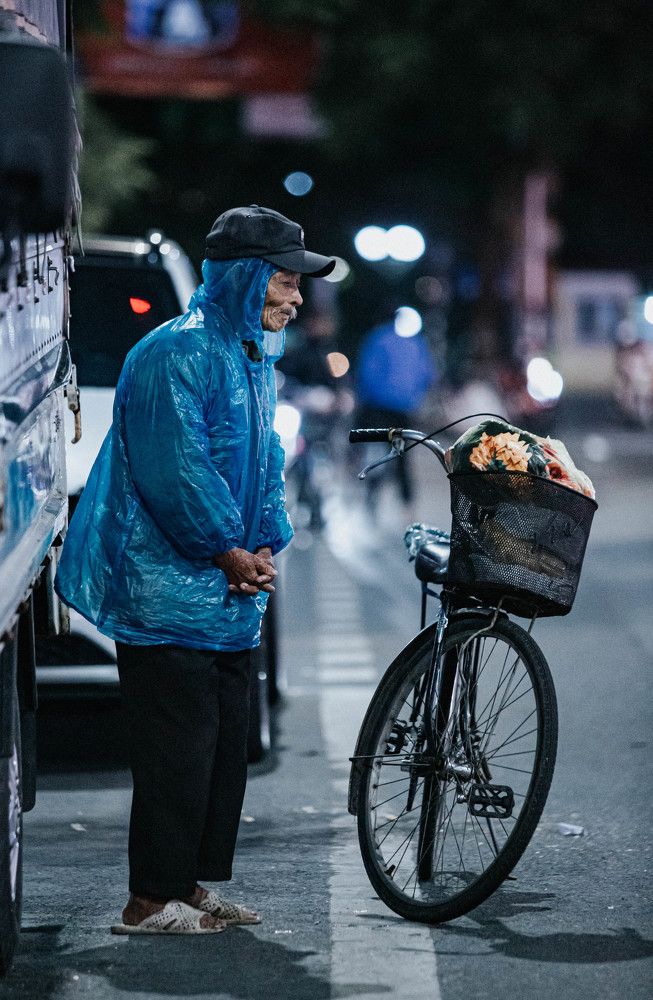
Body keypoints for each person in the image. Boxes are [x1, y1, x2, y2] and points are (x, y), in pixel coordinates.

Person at [55, 205, 334, 934]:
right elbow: (174, 470)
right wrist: (227, 550)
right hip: (166, 589)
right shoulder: (174, 352)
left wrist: (265, 540)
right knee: (175, 749)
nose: (295, 297)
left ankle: (185, 883)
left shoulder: (247, 355)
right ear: (245, 278)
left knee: (219, 748)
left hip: (223, 591)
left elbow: (264, 460)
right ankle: (148, 899)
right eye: (284, 281)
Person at [355, 307, 437, 507]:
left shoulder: (378, 338)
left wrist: (367, 396)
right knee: (401, 455)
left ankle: (372, 495)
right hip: (403, 408)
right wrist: (414, 396)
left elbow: (366, 372)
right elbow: (428, 375)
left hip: (378, 407)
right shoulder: (417, 343)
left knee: (379, 453)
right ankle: (406, 504)